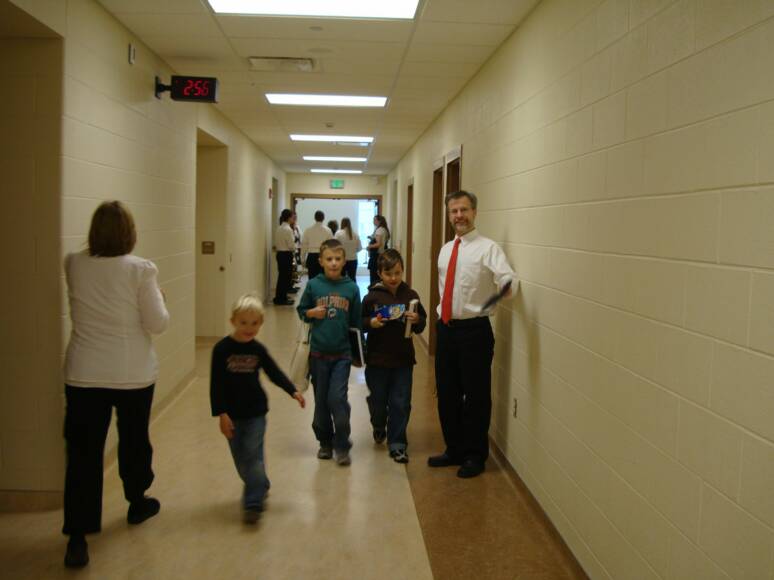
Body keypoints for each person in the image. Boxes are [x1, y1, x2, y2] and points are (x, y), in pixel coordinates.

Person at [62, 201, 170, 568]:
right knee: (134, 439)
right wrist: (161, 301)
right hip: (131, 373)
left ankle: (78, 537)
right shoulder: (141, 270)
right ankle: (137, 502)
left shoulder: (73, 264)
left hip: (83, 373)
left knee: (82, 454)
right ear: (130, 233)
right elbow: (157, 323)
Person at [428, 190, 516, 479]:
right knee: (447, 393)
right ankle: (454, 449)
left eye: (464, 210)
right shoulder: (445, 249)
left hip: (474, 331)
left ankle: (475, 455)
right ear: (448, 214)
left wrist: (492, 302)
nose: (459, 216)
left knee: (476, 396)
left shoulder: (488, 248)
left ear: (474, 212)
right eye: (454, 211)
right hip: (446, 329)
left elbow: (509, 280)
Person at [210, 294, 306, 523]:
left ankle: (253, 501)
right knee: (241, 459)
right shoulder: (222, 349)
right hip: (232, 414)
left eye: (254, 323)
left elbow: (273, 372)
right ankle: (259, 483)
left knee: (252, 455)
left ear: (261, 323)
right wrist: (222, 414)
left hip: (256, 412)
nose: (249, 328)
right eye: (243, 323)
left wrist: (292, 391)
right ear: (233, 321)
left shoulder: (258, 350)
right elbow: (216, 385)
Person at [296, 239, 362, 466]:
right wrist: (311, 313)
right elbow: (302, 310)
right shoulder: (314, 285)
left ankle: (342, 444)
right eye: (329, 259)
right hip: (318, 355)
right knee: (322, 402)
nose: (333, 263)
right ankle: (325, 442)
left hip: (342, 355)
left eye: (337, 259)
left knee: (337, 399)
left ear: (344, 261)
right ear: (321, 261)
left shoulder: (351, 288)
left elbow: (356, 324)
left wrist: (358, 353)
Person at [361, 250, 426, 463]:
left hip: (403, 359)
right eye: (388, 273)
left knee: (401, 402)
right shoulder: (371, 297)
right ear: (380, 273)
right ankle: (378, 424)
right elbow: (359, 322)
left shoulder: (411, 296)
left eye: (397, 273)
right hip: (377, 359)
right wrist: (370, 323)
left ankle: (398, 443)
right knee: (378, 400)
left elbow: (422, 323)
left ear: (403, 271)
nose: (393, 278)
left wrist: (417, 320)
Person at [301, 210, 333, 280]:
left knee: (312, 279)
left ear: (314, 218)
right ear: (323, 218)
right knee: (324, 279)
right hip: (323, 256)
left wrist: (302, 259)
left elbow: (304, 245)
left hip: (311, 257)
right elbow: (331, 245)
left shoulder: (308, 230)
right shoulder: (328, 230)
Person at [273, 209, 297, 305]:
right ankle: (281, 299)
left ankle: (281, 297)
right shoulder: (288, 229)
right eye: (292, 217)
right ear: (289, 218)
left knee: (282, 277)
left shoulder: (279, 228)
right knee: (285, 277)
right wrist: (295, 248)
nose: (293, 219)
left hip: (280, 254)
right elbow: (291, 245)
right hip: (286, 254)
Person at [334, 217, 363, 282]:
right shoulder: (355, 234)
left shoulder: (338, 233)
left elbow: (334, 246)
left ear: (342, 223)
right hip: (353, 259)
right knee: (352, 278)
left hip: (342, 260)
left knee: (341, 279)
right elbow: (359, 248)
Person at [367, 215, 390, 286]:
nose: (373, 221)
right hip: (382, 254)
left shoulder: (379, 230)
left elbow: (378, 244)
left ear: (379, 221)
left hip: (376, 255)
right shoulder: (384, 229)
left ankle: (374, 289)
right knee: (379, 275)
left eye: (375, 220)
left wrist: (369, 246)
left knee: (374, 276)